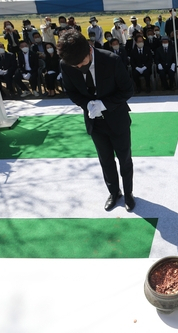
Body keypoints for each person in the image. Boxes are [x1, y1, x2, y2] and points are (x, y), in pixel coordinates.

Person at [57, 30, 135, 212]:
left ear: (89, 50)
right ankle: (114, 193)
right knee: (105, 160)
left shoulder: (111, 60)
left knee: (124, 159)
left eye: (82, 63)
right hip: (95, 122)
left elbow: (127, 90)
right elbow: (72, 92)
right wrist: (87, 105)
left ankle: (129, 193)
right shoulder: (67, 64)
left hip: (117, 120)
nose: (79, 68)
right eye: (74, 66)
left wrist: (104, 104)